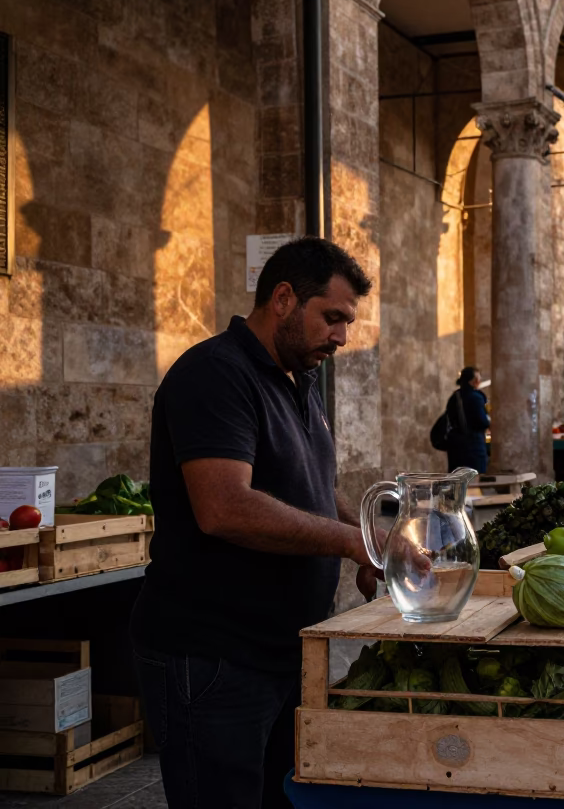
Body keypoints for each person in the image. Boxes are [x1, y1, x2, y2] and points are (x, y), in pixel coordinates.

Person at [130, 238, 378, 809]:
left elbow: (309, 486)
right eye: (333, 318)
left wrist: (373, 536)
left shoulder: (298, 379)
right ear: (285, 299)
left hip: (281, 653)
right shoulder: (215, 374)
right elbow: (224, 508)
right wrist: (351, 542)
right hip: (213, 659)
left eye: (348, 321)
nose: (342, 337)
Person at [446, 366, 490, 473]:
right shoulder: (476, 397)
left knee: (458, 480)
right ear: (474, 381)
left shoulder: (454, 397)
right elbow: (482, 422)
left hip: (455, 448)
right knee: (474, 479)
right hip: (473, 446)